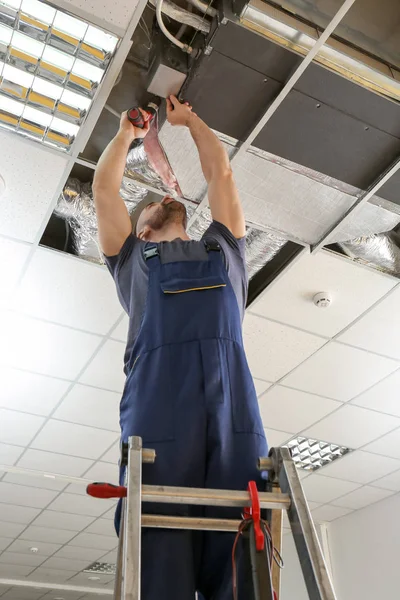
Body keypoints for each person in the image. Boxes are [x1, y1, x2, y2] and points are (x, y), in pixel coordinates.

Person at [93, 95, 268, 600]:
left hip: (233, 411)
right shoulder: (131, 259)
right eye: (149, 203)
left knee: (240, 566)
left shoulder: (227, 247)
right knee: (161, 567)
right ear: (142, 227)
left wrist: (190, 120)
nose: (161, 199)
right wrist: (127, 134)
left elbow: (221, 176)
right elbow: (104, 188)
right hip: (159, 414)